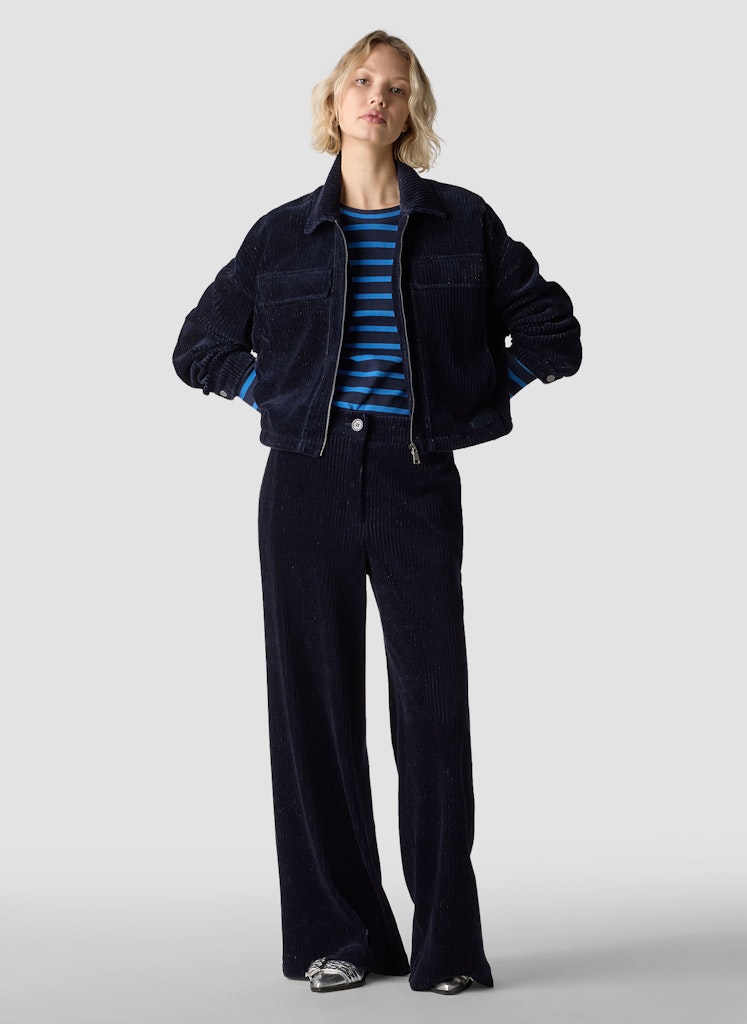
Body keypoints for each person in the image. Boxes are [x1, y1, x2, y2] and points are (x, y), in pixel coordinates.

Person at [172, 29, 581, 996]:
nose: (377, 97)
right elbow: (198, 345)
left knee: (431, 711)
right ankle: (342, 936)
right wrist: (270, 394)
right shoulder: (280, 235)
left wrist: (471, 400)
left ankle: (446, 947)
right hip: (304, 482)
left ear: (411, 110)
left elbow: (554, 331)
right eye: (362, 80)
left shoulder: (461, 222)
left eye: (396, 87)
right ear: (334, 100)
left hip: (412, 477)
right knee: (312, 713)